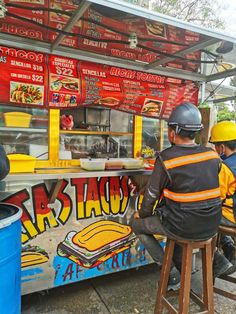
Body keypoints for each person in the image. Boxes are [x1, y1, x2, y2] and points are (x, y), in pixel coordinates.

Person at [130, 102, 222, 290]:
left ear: (174, 131)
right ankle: (182, 271)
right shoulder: (213, 156)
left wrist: (142, 214)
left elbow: (151, 195)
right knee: (182, 218)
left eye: (170, 128)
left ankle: (170, 273)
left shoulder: (167, 158)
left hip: (182, 226)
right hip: (212, 226)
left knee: (136, 224)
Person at [209, 121, 236, 277]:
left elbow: (216, 198)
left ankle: (220, 261)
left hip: (232, 217)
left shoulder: (226, 167)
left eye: (215, 146)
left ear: (222, 147)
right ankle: (228, 245)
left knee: (198, 218)